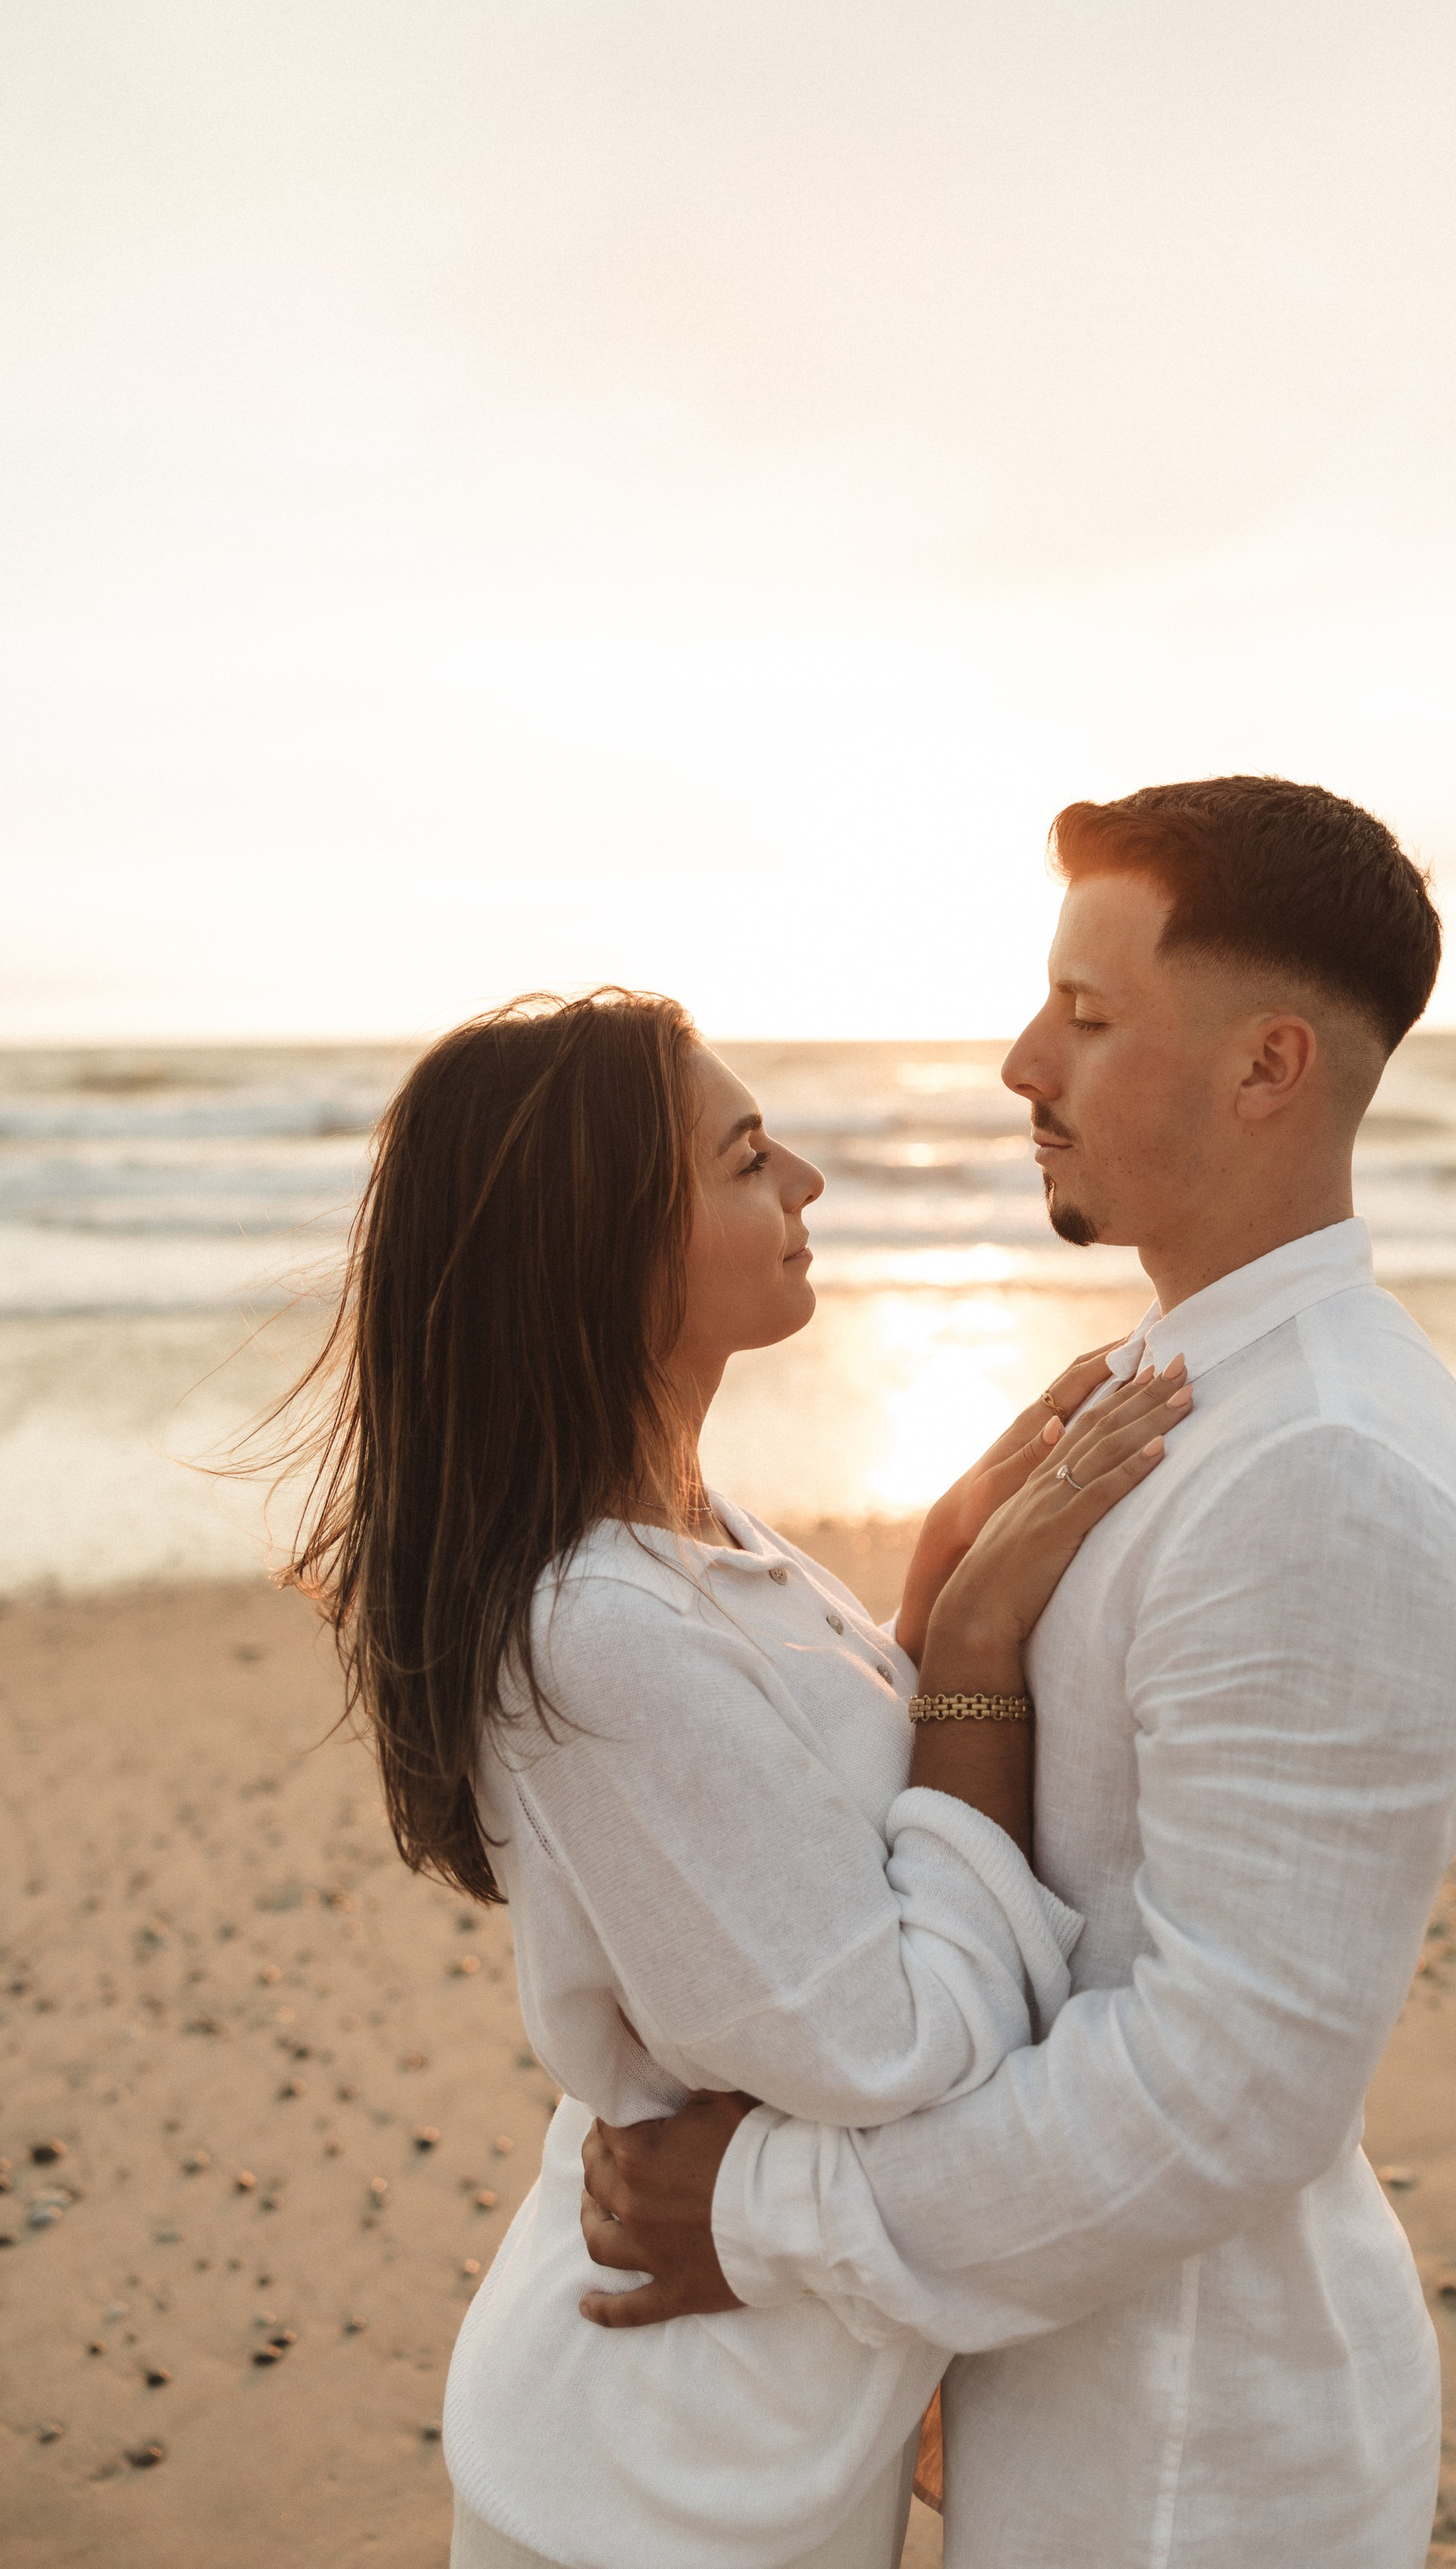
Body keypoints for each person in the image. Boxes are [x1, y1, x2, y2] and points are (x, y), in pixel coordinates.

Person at [578, 774, 1456, 2568]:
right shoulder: (1187, 1392)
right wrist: (943, 1619)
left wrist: (774, 2216)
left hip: (1194, 2457)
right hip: (1080, 2376)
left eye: (1085, 1018)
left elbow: (1231, 2079)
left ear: (1266, 1068)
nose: (1021, 1063)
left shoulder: (1325, 1470)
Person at [266, 985, 1193, 2569]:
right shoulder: (593, 1627)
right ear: (607, 1246)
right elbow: (894, 2041)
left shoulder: (698, 1544)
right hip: (653, 2488)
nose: (808, 1188)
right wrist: (970, 1642)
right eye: (750, 1156)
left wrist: (929, 1583)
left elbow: (804, 1835)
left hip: (756, 2421)